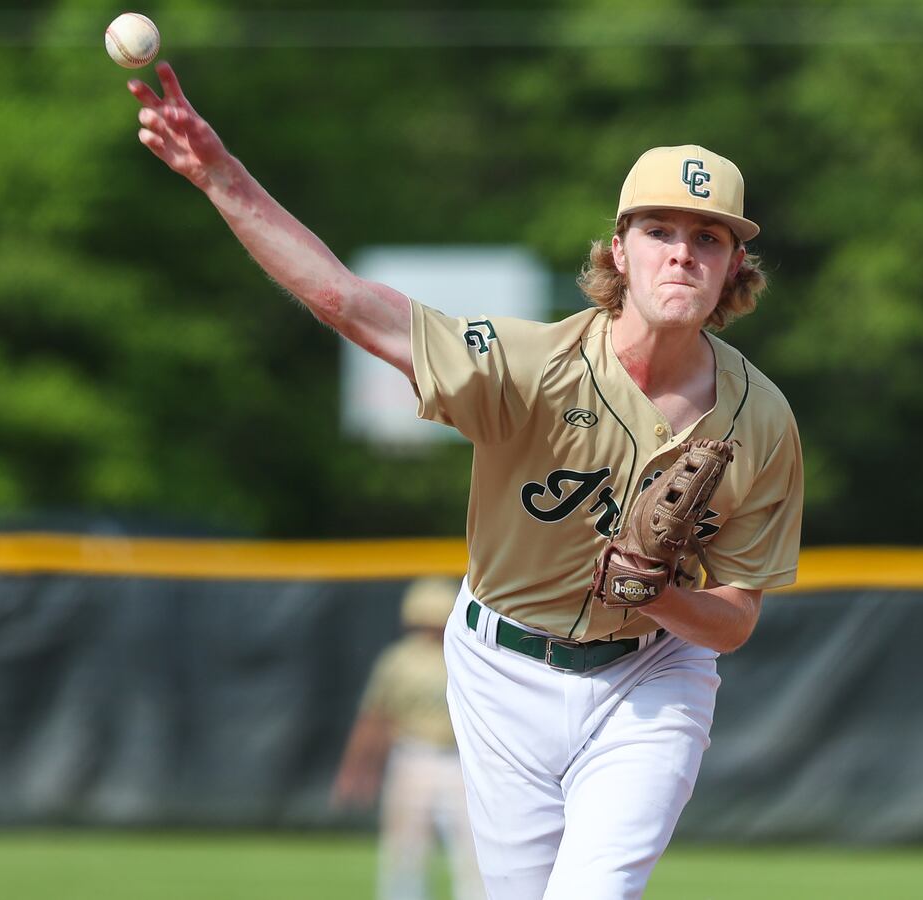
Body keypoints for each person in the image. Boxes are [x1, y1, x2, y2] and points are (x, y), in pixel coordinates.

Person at [130, 62, 803, 899]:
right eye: (661, 231)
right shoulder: (531, 365)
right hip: (502, 670)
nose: (682, 254)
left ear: (735, 266)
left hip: (649, 674)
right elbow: (348, 302)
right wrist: (220, 176)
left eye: (708, 238)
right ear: (619, 249)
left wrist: (656, 596)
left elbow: (733, 622)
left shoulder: (761, 419)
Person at [332, 577, 484, 900]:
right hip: (419, 757)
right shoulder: (409, 659)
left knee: (471, 855)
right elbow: (375, 720)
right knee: (408, 855)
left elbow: (373, 721)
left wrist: (355, 770)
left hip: (452, 761)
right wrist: (356, 770)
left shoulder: (456, 654)